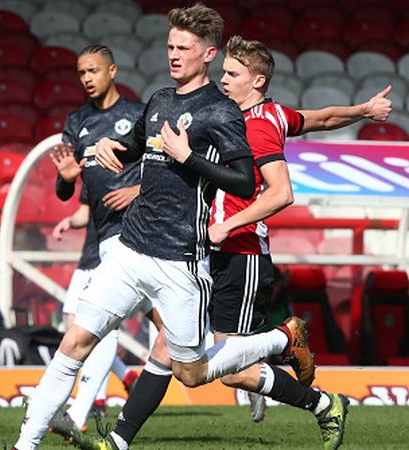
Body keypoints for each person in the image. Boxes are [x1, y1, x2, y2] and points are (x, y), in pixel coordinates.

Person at [12, 5, 313, 450]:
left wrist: (188, 157)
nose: (173, 54)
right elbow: (136, 144)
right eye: (169, 46)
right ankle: (25, 444)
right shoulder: (159, 100)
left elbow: (246, 180)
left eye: (183, 48)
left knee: (190, 373)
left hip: (181, 262)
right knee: (74, 342)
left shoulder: (221, 111)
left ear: (208, 54)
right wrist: (114, 146)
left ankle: (279, 337)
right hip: (130, 250)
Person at [72, 35, 392, 450]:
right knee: (169, 345)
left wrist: (227, 225)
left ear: (257, 81)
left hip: (239, 254)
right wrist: (364, 110)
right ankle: (117, 440)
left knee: (234, 370)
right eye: (223, 71)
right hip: (205, 253)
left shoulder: (256, 128)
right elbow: (323, 118)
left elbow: (280, 192)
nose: (223, 80)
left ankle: (311, 384)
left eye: (233, 74)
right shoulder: (262, 115)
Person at [47, 44, 148, 433]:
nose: (87, 79)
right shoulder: (77, 121)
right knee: (79, 322)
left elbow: (167, 172)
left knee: (96, 321)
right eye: (81, 73)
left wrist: (136, 190)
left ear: (112, 71)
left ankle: (77, 411)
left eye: (93, 71)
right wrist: (67, 177)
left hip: (137, 235)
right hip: (99, 238)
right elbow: (65, 191)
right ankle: (247, 362)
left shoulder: (137, 116)